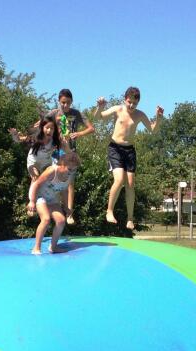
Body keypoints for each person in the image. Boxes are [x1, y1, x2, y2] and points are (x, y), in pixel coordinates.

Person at [93, 86, 163, 230]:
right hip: (115, 149)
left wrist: (158, 118)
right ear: (125, 99)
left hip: (129, 151)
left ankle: (130, 218)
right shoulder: (118, 109)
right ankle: (109, 211)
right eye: (129, 102)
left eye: (134, 103)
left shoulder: (140, 115)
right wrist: (100, 107)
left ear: (138, 103)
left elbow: (153, 130)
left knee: (130, 184)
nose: (131, 105)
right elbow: (98, 117)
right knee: (119, 180)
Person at [45, 89, 94, 225]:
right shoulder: (54, 113)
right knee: (55, 181)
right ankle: (54, 209)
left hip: (70, 153)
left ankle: (69, 213)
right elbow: (42, 125)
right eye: (63, 103)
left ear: (71, 101)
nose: (65, 105)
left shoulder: (76, 114)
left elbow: (91, 128)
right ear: (59, 101)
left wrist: (79, 133)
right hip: (56, 152)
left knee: (70, 183)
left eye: (67, 103)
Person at [27, 152, 79, 255]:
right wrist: (32, 201)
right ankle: (36, 247)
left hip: (52, 199)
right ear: (62, 164)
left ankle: (53, 247)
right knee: (46, 219)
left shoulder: (69, 177)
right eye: (69, 169)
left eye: (74, 170)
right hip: (39, 196)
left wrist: (66, 207)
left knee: (61, 221)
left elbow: (64, 191)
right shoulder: (52, 170)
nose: (71, 172)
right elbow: (36, 184)